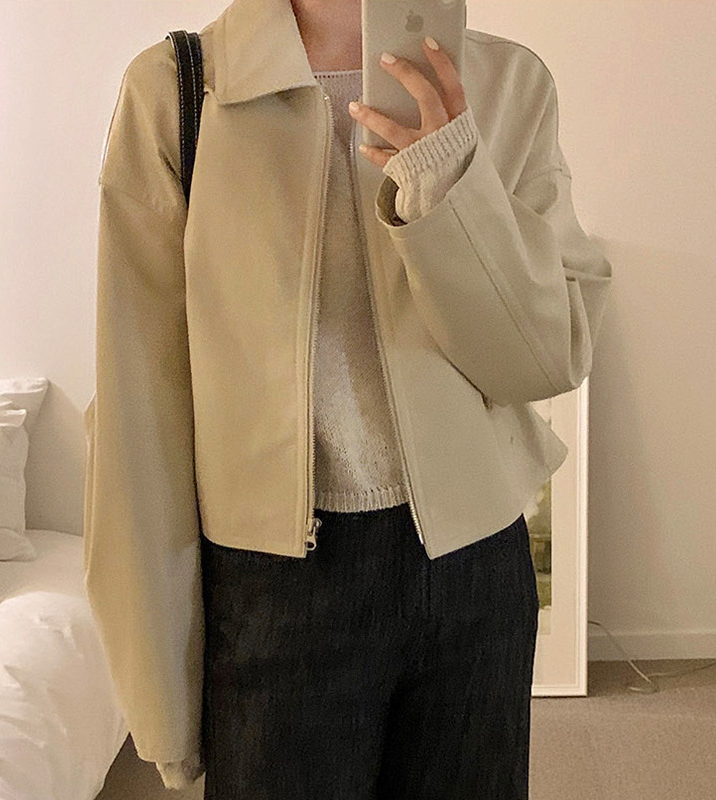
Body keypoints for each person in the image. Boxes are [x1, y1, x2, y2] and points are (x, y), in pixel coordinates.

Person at [83, 0, 613, 797]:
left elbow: (550, 355)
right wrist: (157, 684)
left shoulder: (509, 83)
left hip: (472, 568)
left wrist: (451, 185)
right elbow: (139, 405)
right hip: (271, 581)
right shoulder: (179, 91)